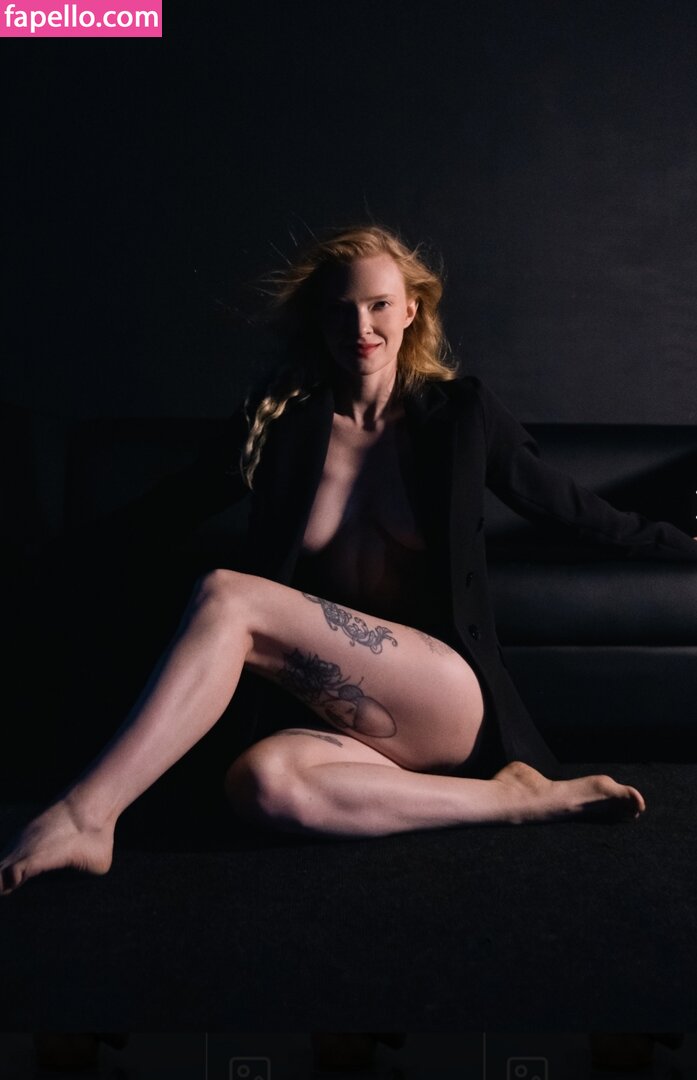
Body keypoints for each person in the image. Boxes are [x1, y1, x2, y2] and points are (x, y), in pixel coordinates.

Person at [2, 223, 695, 898]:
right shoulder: (280, 422)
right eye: (340, 310)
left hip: (444, 695)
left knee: (227, 596)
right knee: (263, 785)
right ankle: (514, 798)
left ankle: (87, 816)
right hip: (343, 710)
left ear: (410, 311)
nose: (360, 327)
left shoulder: (460, 415)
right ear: (319, 320)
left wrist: (684, 549)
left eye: (378, 305)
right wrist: (37, 567)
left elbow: (572, 510)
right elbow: (168, 510)